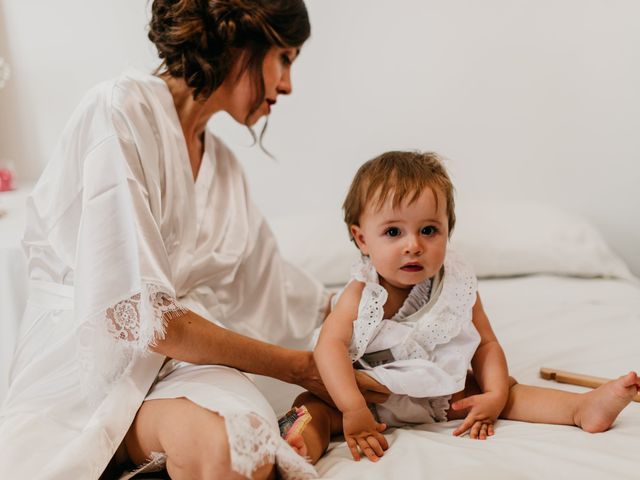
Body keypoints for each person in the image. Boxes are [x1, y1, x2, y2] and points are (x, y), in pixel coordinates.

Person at [0, 1, 390, 479]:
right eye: (284, 58)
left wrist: (383, 309)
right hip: (86, 369)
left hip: (179, 372)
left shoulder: (223, 169)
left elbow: (276, 289)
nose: (287, 84)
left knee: (238, 454)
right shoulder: (119, 110)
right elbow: (144, 318)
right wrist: (298, 368)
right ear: (239, 42)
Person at [289, 151, 640, 464]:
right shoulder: (359, 292)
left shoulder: (456, 283)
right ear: (362, 239)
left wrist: (495, 394)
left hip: (439, 391)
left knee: (509, 390)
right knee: (311, 405)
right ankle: (301, 445)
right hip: (368, 393)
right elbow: (329, 348)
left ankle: (581, 409)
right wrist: (352, 408)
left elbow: (485, 343)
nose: (413, 246)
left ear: (447, 232)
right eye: (393, 232)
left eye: (429, 230)